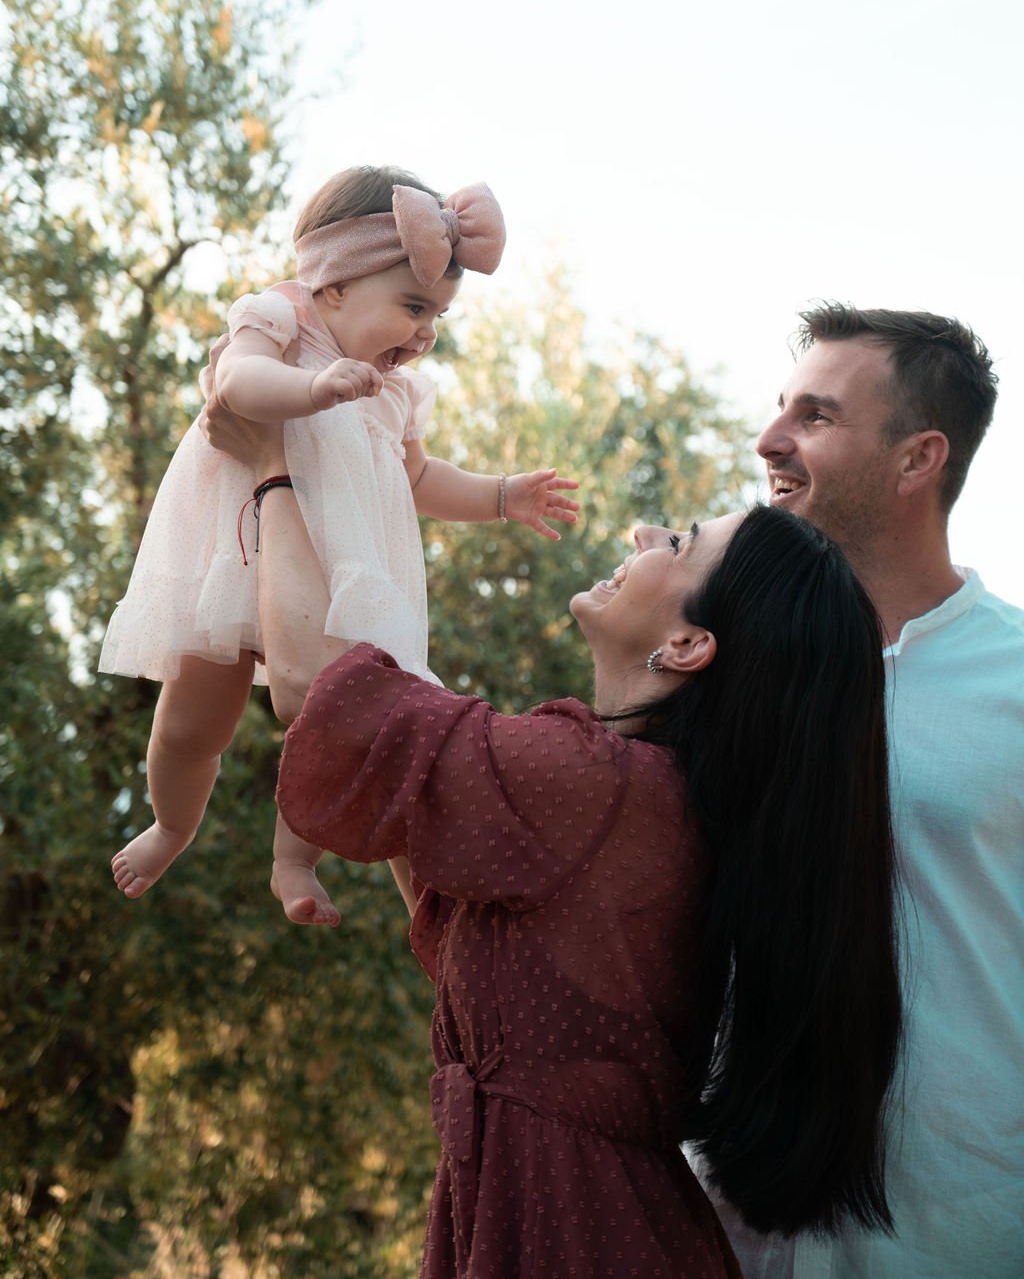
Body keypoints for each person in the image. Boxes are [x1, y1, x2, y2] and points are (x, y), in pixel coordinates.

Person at [214, 403, 903, 1279]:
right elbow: (452, 904)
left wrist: (275, 465)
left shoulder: (595, 783)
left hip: (569, 1228)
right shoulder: (650, 800)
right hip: (582, 1219)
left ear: (689, 644)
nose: (647, 532)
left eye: (681, 544)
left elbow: (311, 681)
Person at [101, 166, 579, 926]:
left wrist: (498, 494)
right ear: (332, 288)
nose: (424, 333)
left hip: (340, 579)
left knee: (333, 721)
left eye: (439, 316)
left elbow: (418, 476)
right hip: (236, 552)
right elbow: (237, 382)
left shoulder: (391, 389)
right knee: (193, 723)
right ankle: (171, 824)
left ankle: (294, 861)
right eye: (413, 305)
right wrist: (311, 391)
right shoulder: (282, 317)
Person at [706, 303, 1024, 1278]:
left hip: (961, 1229)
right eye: (777, 410)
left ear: (915, 459)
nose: (769, 441)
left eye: (816, 416)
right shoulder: (714, 666)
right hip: (725, 1233)